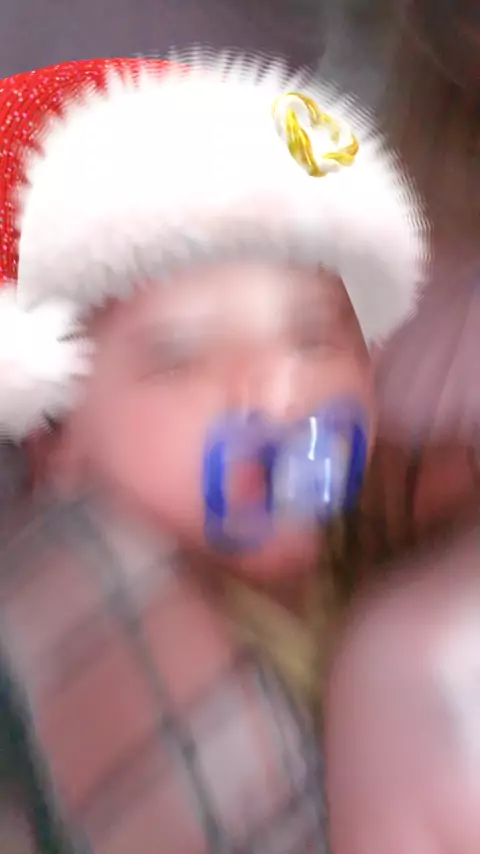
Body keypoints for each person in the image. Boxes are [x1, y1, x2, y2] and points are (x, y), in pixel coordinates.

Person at [0, 52, 477, 854]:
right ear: (57, 443)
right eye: (180, 354)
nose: (276, 387)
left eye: (313, 334)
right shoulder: (94, 616)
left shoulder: (384, 510)